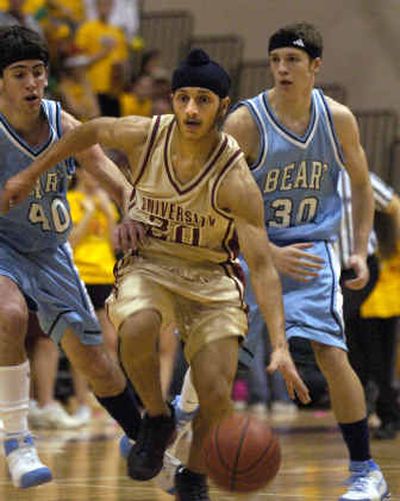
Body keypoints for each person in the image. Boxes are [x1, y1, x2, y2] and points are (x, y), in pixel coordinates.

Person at [1, 47, 310, 500]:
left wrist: (280, 345)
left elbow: (260, 264)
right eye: (182, 97)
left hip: (202, 276)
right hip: (117, 259)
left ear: (222, 107)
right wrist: (29, 176)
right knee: (116, 321)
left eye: (202, 100)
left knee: (198, 387)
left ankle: (184, 465)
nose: (190, 109)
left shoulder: (235, 176)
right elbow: (91, 132)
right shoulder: (147, 135)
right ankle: (45, 435)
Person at [221, 22, 389, 501]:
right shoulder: (245, 122)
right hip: (256, 247)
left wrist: (357, 249)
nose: (281, 69)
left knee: (331, 354)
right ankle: (183, 456)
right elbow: (219, 199)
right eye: (275, 60)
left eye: (292, 61)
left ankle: (365, 471)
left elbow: (361, 184)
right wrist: (265, 251)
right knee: (218, 354)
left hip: (313, 251)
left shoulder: (338, 119)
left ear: (315, 66)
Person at [0, 25, 142, 489]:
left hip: (50, 250)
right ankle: (18, 442)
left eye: (38, 73)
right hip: (3, 245)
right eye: (19, 74)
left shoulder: (64, 124)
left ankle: (143, 438)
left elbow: (111, 176)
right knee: (9, 313)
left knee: (96, 362)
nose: (32, 84)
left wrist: (133, 211)